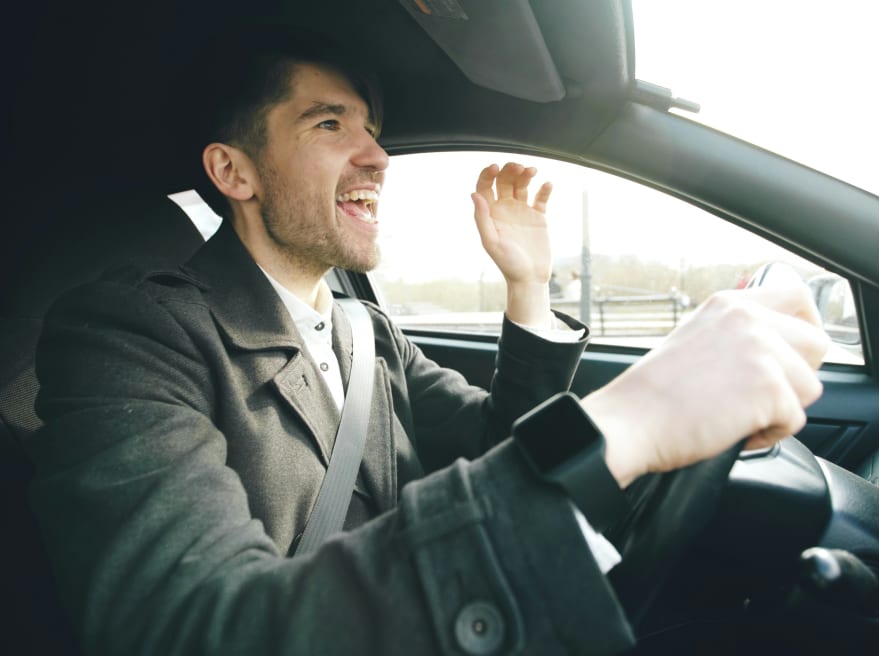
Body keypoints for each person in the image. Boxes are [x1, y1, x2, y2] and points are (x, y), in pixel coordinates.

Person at [26, 26, 828, 656]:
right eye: (329, 123)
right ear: (235, 174)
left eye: (370, 129)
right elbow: (193, 633)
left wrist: (528, 286)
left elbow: (501, 447)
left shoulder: (363, 331)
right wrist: (638, 417)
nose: (376, 154)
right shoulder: (127, 337)